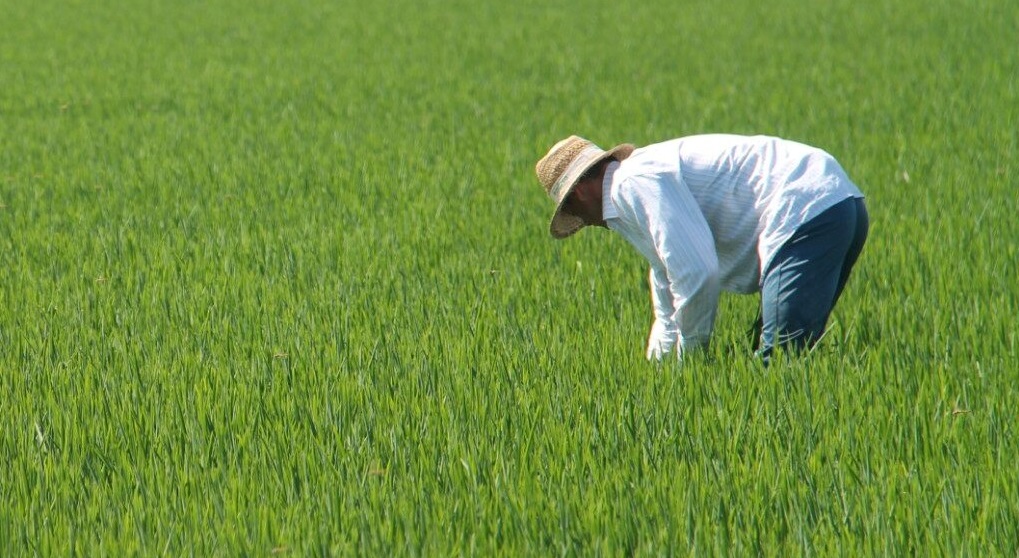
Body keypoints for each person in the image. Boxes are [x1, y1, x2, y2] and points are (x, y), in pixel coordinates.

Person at [535, 134, 868, 362]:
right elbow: (668, 284)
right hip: (839, 202)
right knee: (772, 356)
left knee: (778, 364)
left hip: (805, 208)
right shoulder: (634, 185)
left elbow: (697, 272)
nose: (582, 222)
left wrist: (692, 359)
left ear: (578, 194)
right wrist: (661, 370)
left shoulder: (632, 183)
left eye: (570, 210)